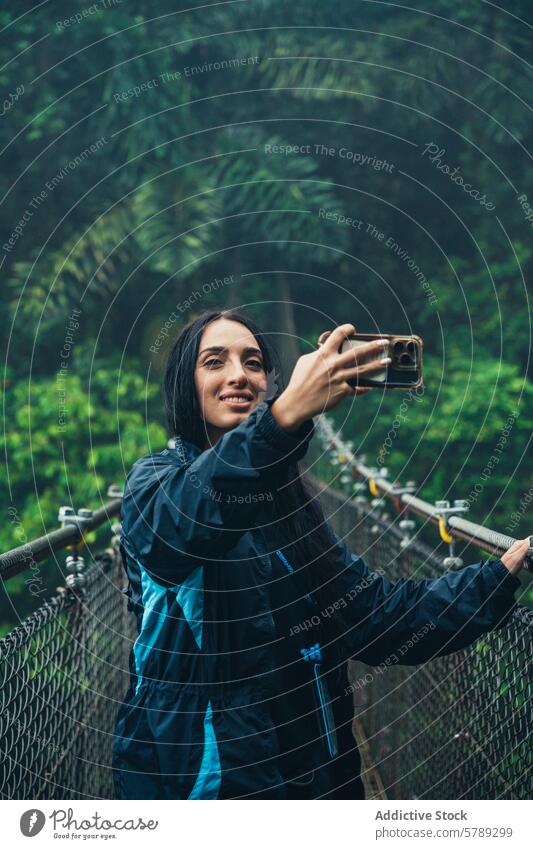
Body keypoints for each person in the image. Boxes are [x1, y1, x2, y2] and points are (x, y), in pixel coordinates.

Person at [112, 309, 529, 800]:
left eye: (253, 362)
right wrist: (284, 419)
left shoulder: (290, 505)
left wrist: (498, 578)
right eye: (214, 361)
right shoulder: (156, 485)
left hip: (317, 779)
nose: (238, 375)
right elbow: (188, 523)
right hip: (207, 785)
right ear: (185, 383)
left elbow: (376, 617)